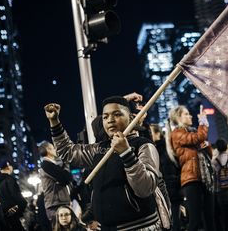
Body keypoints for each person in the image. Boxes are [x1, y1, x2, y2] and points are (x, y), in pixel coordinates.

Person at [44, 95, 162, 230]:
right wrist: (54, 122)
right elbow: (68, 152)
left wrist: (126, 153)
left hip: (139, 226)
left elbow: (145, 188)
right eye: (105, 117)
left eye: (117, 114)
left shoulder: (143, 145)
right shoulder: (99, 148)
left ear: (130, 118)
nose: (110, 120)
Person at [168, 105, 215, 231]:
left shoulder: (194, 131)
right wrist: (203, 121)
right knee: (195, 220)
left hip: (205, 178)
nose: (190, 116)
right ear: (178, 117)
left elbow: (209, 154)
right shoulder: (177, 134)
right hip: (191, 179)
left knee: (210, 218)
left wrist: (206, 145)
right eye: (186, 114)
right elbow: (198, 138)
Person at [150, 123, 182, 231]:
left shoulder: (165, 148)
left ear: (158, 133)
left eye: (151, 132)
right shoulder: (154, 149)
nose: (149, 135)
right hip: (166, 191)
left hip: (171, 191)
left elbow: (171, 170)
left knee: (173, 221)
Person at [38, 141, 73, 224]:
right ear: (48, 150)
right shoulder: (47, 165)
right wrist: (66, 164)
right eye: (53, 148)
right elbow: (67, 179)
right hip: (56, 205)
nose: (55, 150)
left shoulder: (50, 164)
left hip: (57, 203)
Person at [0, 160, 27, 231]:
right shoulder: (9, 179)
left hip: (2, 217)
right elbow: (18, 198)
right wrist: (22, 206)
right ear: (9, 167)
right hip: (13, 215)